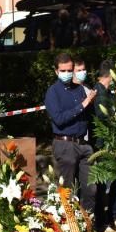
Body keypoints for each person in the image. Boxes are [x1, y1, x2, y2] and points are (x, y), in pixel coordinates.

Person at [44, 52, 96, 213]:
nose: (67, 74)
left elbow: (87, 115)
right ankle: (69, 226)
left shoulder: (79, 89)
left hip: (84, 144)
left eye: (69, 70)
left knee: (90, 188)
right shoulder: (53, 92)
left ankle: (88, 221)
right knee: (68, 189)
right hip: (65, 144)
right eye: (63, 71)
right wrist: (83, 105)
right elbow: (59, 119)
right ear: (56, 71)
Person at [91, 60, 116, 232]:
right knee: (104, 187)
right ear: (110, 75)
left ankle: (114, 218)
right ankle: (102, 222)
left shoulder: (109, 92)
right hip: (103, 145)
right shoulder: (98, 93)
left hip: (115, 144)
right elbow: (102, 117)